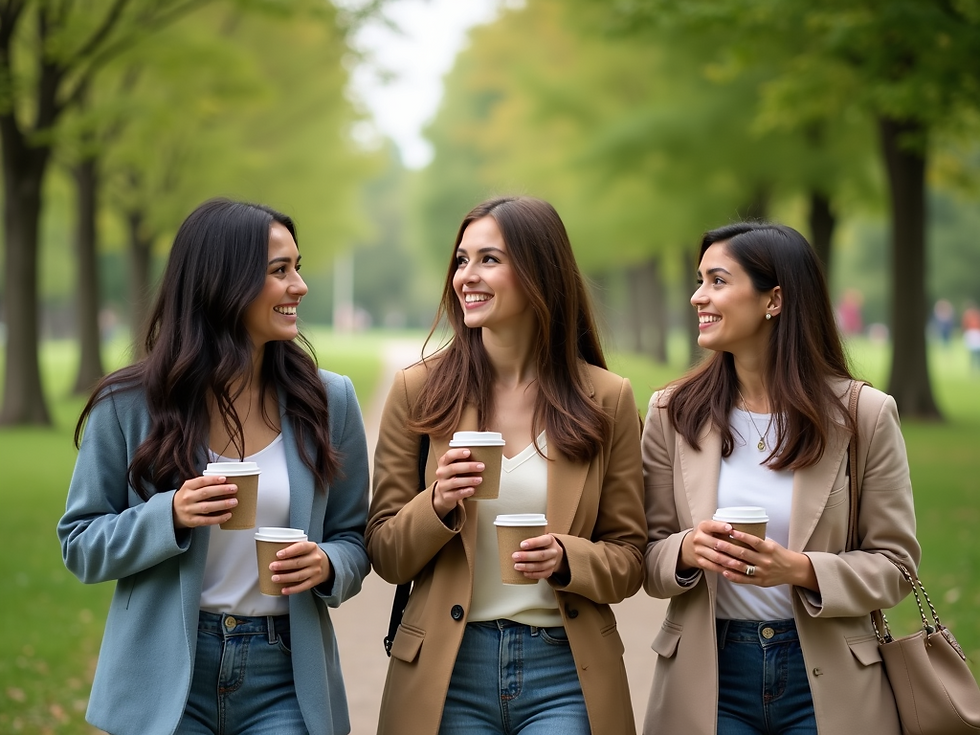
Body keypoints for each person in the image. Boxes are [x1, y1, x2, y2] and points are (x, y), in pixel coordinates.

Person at [58, 199, 370, 735]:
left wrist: (327, 564)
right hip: (166, 678)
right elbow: (80, 544)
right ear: (223, 283)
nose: (300, 285)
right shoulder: (129, 404)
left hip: (286, 678)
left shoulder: (329, 400)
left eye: (297, 266)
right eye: (279, 271)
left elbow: (354, 537)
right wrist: (170, 515)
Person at [367, 196, 646, 735]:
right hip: (449, 670)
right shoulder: (419, 391)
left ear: (540, 273)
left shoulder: (605, 398)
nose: (466, 277)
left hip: (564, 670)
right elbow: (385, 553)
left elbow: (631, 557)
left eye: (489, 260)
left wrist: (569, 558)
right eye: (461, 260)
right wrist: (438, 502)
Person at [641, 222, 920, 734]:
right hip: (710, 677)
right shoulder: (672, 413)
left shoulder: (864, 415)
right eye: (700, 280)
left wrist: (799, 570)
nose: (697, 296)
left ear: (774, 300)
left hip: (828, 679)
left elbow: (896, 565)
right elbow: (647, 554)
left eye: (718, 281)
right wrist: (687, 550)